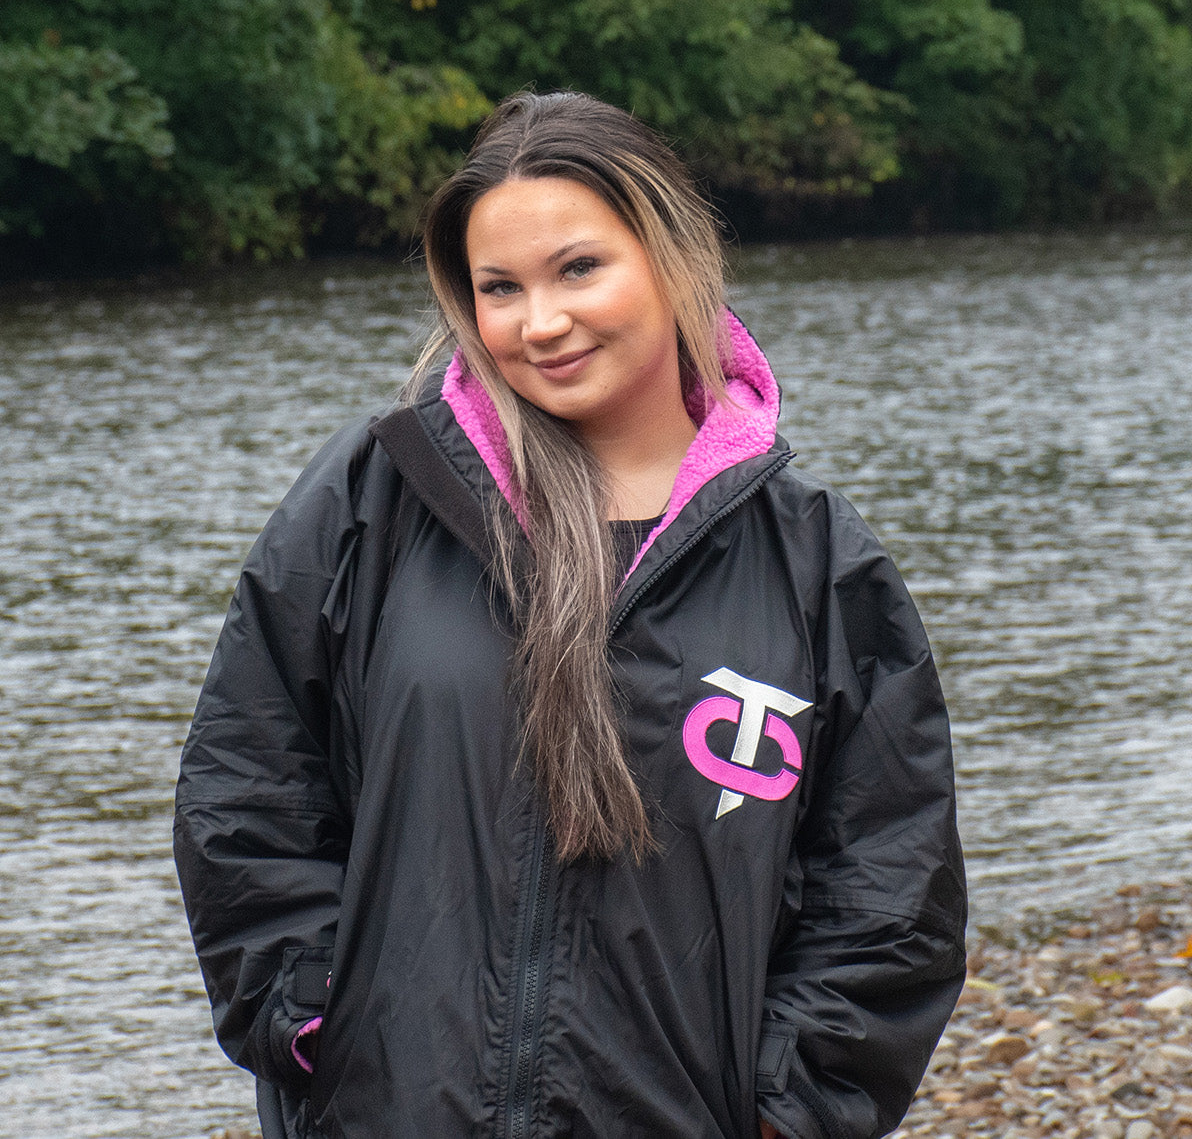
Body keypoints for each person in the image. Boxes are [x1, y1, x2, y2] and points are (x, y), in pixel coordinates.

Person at [174, 90, 967, 1139]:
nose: (538, 323)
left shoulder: (813, 561)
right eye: (497, 287)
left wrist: (787, 1108)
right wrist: (313, 1018)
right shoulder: (374, 500)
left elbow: (890, 886)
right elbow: (247, 782)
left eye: (578, 269)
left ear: (670, 255)